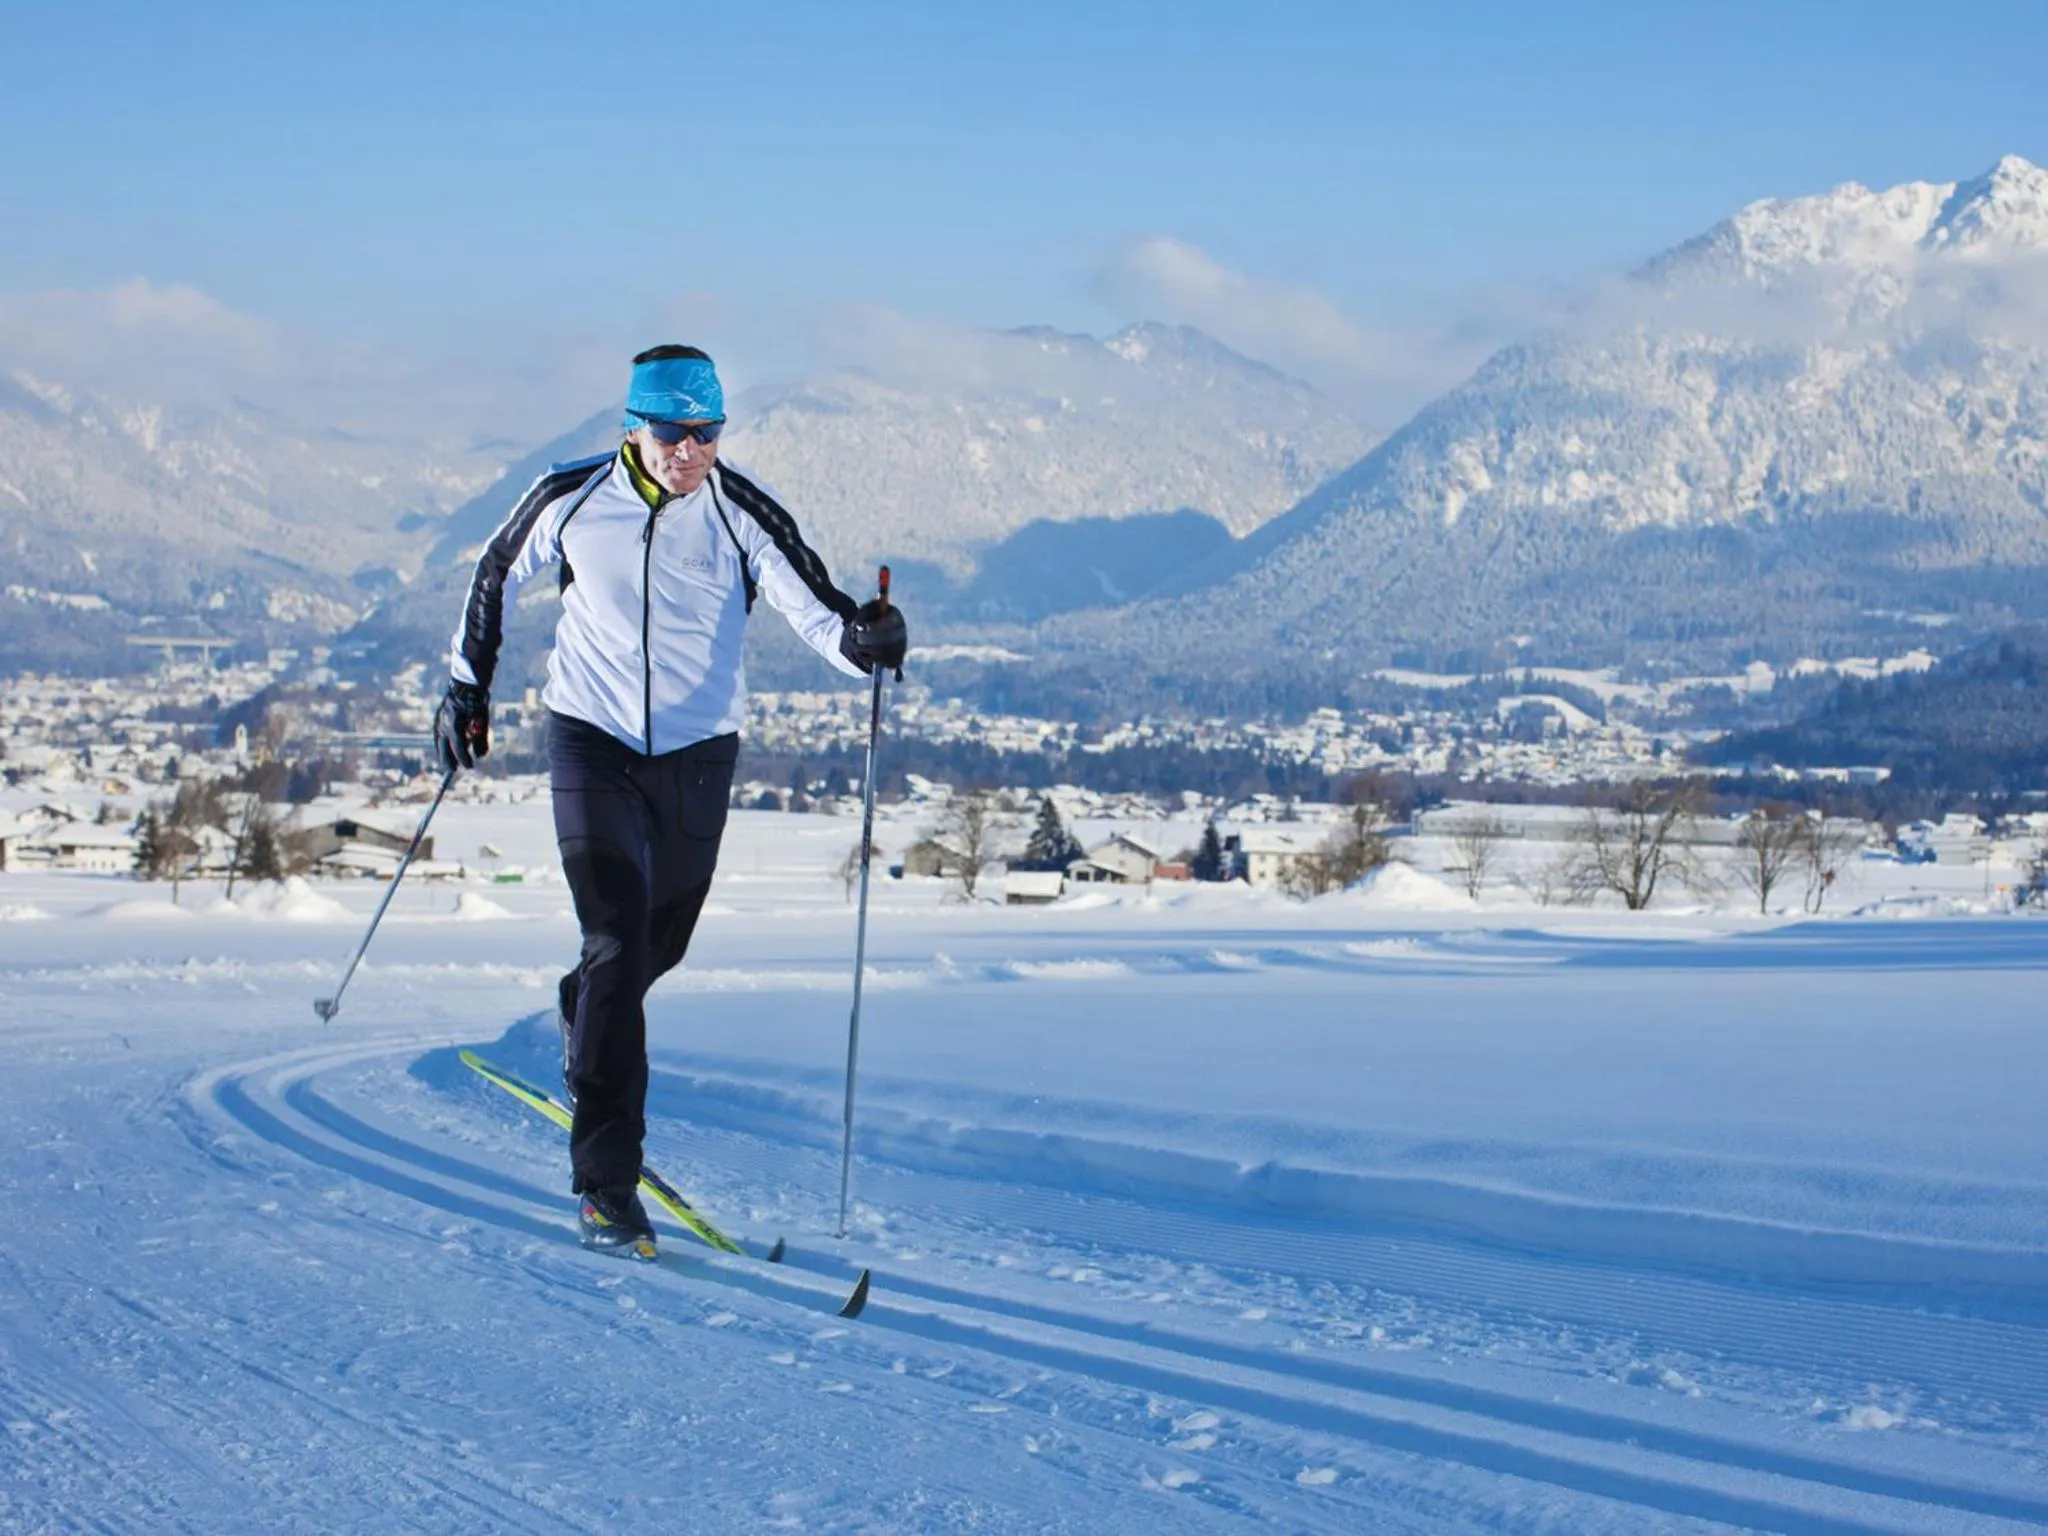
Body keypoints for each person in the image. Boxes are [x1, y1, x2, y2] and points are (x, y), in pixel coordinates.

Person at [434, 344, 908, 1259]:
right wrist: (467, 687)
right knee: (615, 938)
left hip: (697, 756)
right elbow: (495, 572)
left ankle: (588, 1010)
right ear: (634, 428)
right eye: (675, 433)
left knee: (656, 947)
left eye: (709, 432)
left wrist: (866, 641)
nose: (693, 451)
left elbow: (815, 605)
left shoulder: (740, 510)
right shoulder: (569, 496)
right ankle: (606, 1182)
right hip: (590, 742)